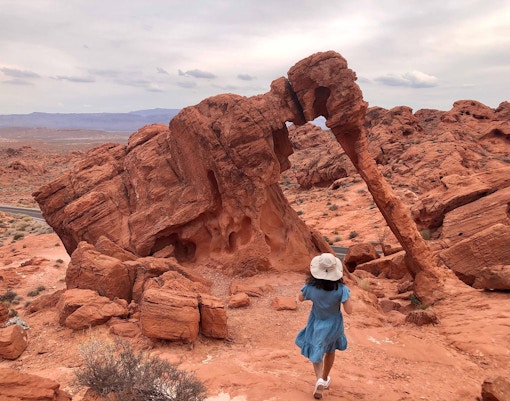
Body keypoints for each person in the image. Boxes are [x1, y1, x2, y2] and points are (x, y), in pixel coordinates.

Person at [295, 252, 353, 399]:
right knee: (330, 350)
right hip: (334, 326)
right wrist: (347, 297)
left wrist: (304, 292)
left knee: (317, 349)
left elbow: (300, 299)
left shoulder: (311, 288)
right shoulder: (341, 290)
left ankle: (319, 378)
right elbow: (349, 311)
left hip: (317, 323)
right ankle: (325, 379)